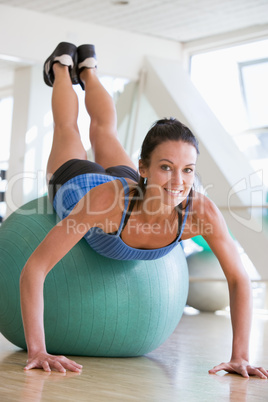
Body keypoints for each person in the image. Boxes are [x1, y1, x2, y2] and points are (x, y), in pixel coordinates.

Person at [20, 42, 268, 378]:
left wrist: (240, 355)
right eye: (166, 167)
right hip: (80, 185)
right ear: (145, 168)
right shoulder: (103, 205)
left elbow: (239, 279)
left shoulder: (201, 212)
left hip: (131, 190)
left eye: (188, 169)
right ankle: (61, 66)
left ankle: (88, 70)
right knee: (69, 131)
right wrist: (38, 349)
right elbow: (34, 269)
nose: (178, 181)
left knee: (104, 131)